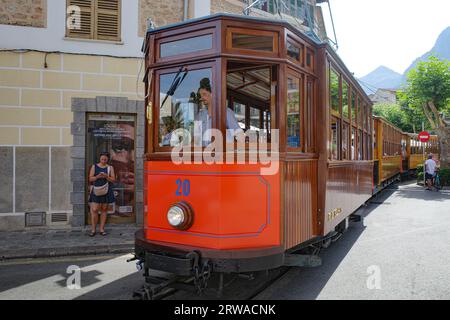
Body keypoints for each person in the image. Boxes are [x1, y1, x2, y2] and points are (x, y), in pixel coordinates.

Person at [197, 78, 244, 144]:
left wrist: (238, 152)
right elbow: (196, 137)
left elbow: (239, 134)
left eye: (204, 94)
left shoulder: (225, 112)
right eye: (200, 95)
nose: (201, 98)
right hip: (204, 153)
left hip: (221, 153)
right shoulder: (200, 115)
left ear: (212, 94)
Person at [88, 152, 116, 236]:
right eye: (102, 159)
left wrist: (106, 177)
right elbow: (90, 179)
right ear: (100, 158)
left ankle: (101, 229)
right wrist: (97, 177)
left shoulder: (110, 168)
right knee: (95, 209)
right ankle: (93, 230)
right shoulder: (94, 166)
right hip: (96, 190)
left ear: (108, 159)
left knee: (104, 209)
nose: (103, 161)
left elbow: (113, 180)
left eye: (105, 159)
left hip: (106, 190)